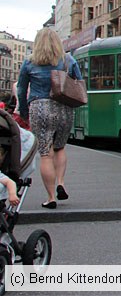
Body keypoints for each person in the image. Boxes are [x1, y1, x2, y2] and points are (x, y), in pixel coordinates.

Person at [16, 28, 82, 208]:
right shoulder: (68, 60)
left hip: (39, 108)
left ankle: (51, 197)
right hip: (63, 108)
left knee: (46, 154)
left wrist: (23, 111)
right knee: (60, 148)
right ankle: (61, 182)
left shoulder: (29, 63)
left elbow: (21, 90)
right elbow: (78, 80)